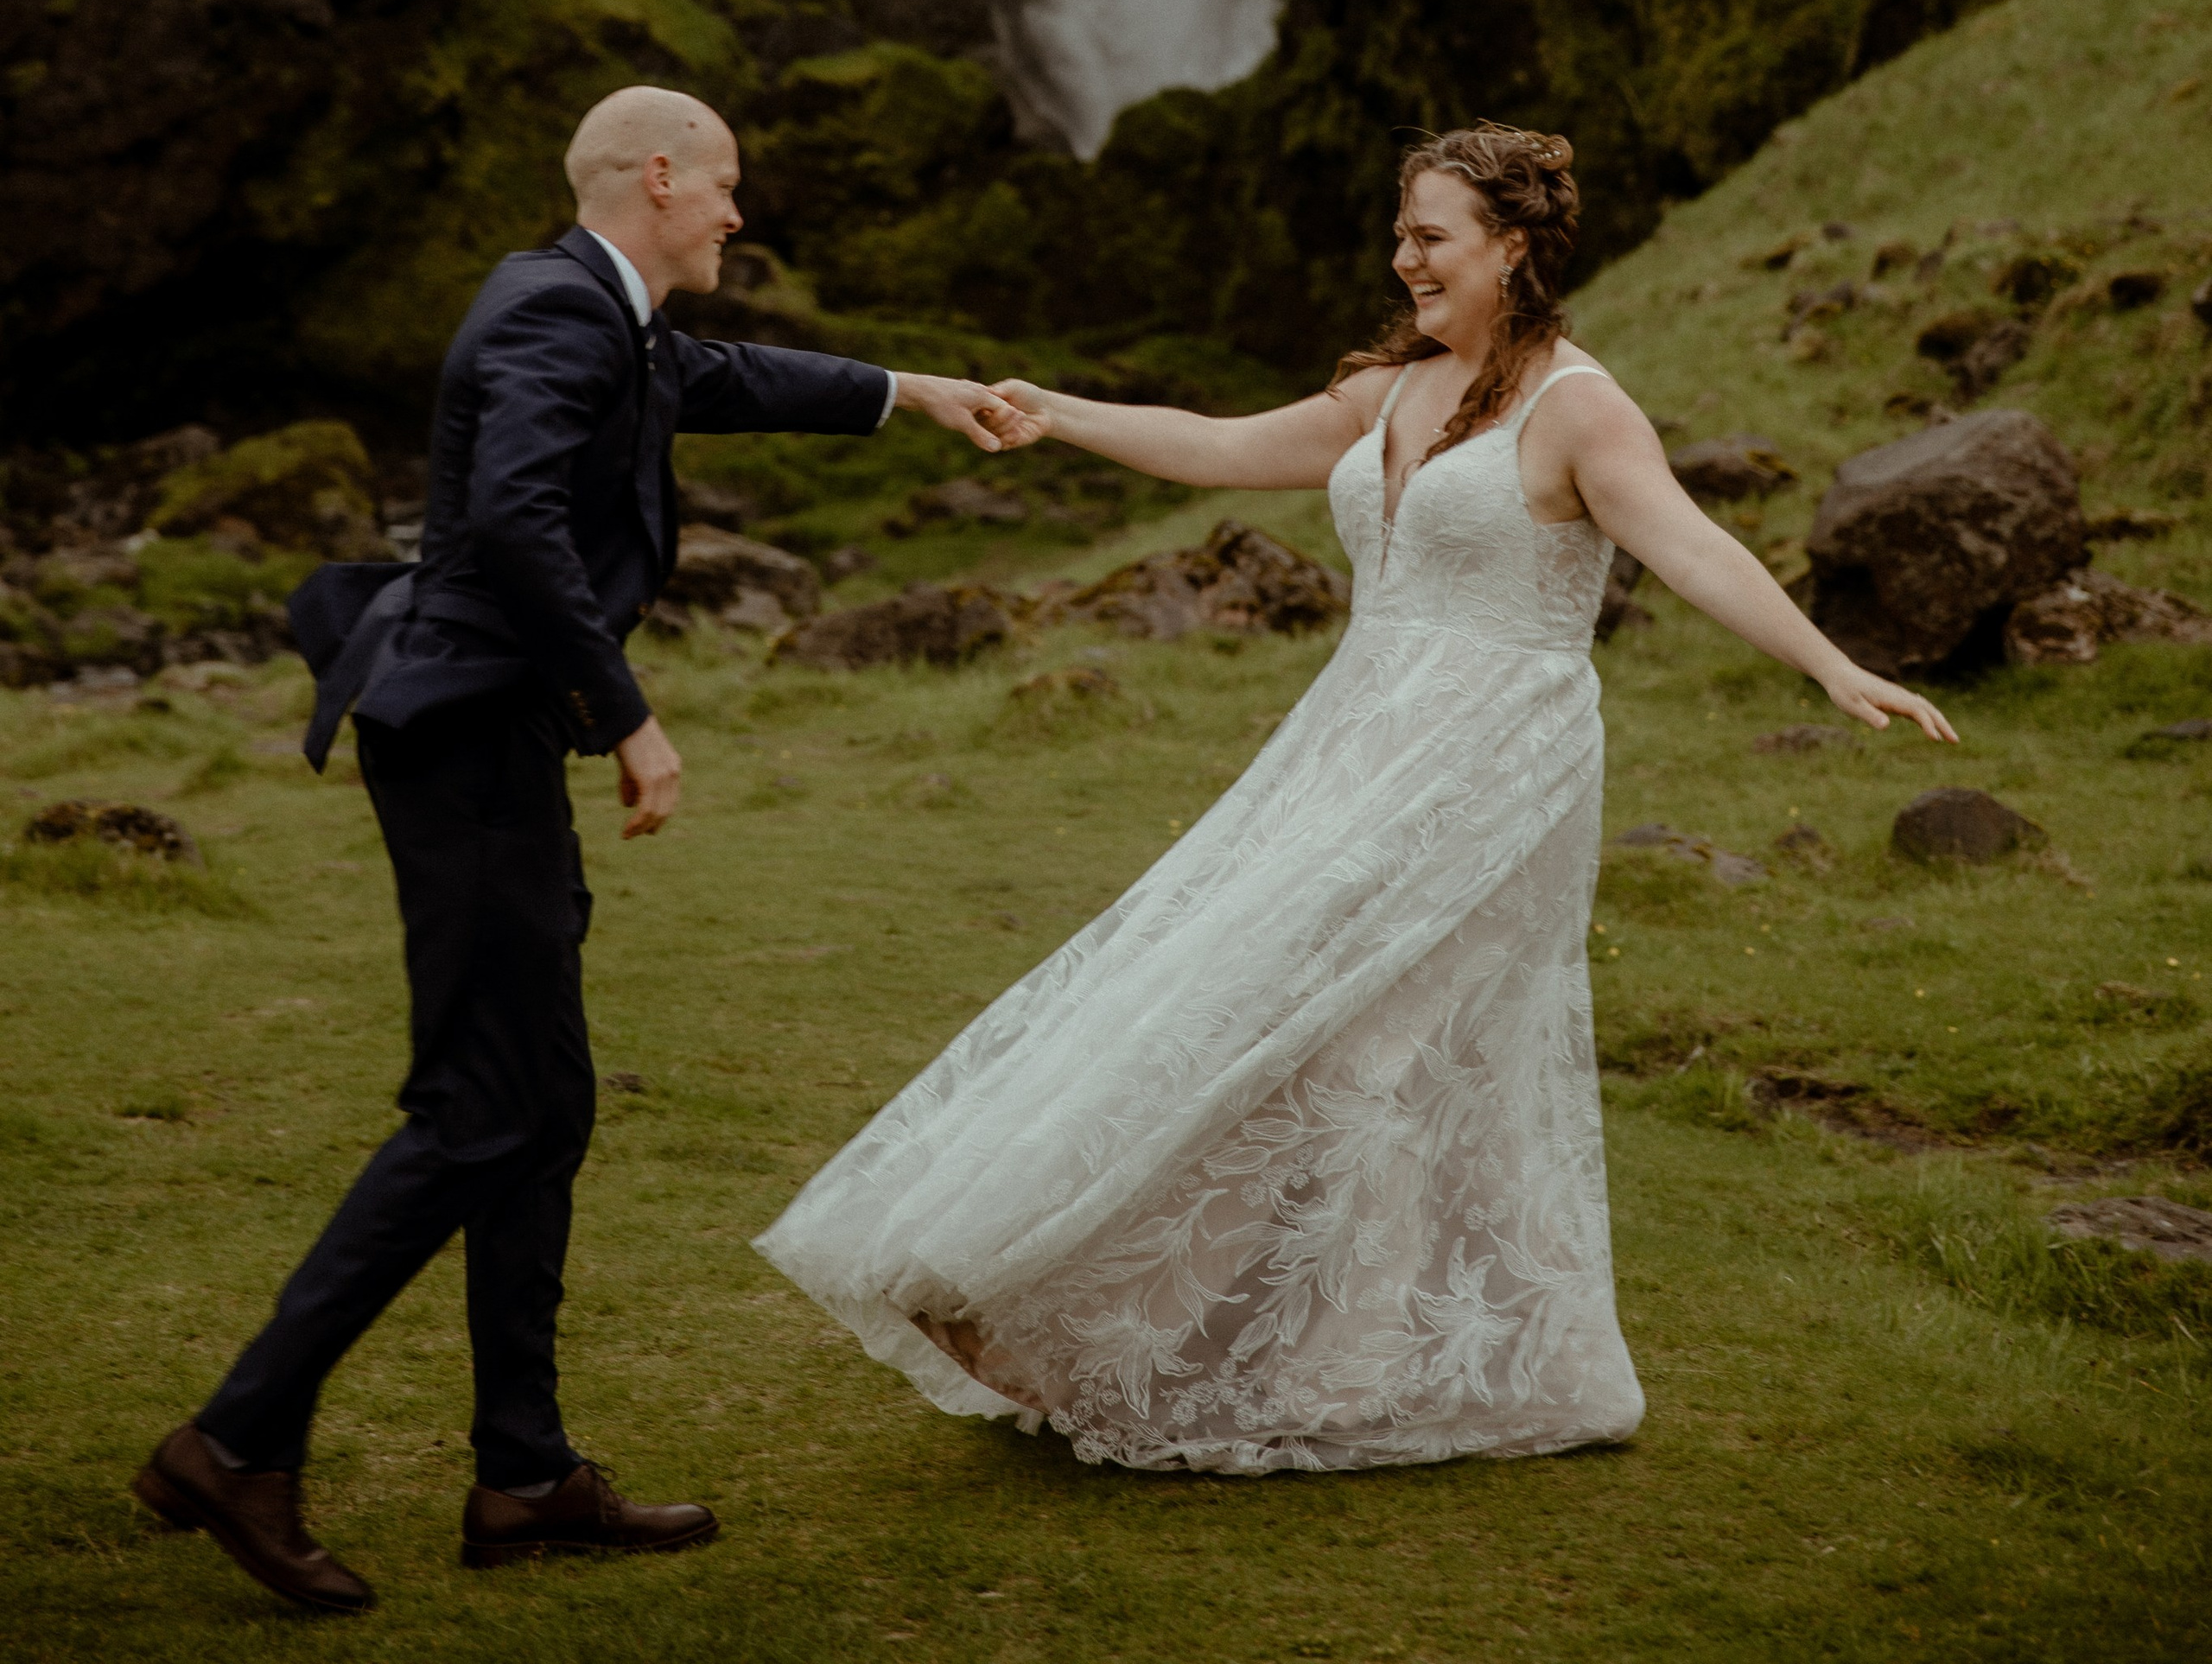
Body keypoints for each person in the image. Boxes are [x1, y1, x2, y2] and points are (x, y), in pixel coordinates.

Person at [756, 122, 1955, 1475]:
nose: (1406, 259)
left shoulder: (1580, 406)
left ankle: (1317, 1353)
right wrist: (1057, 410)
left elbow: (1686, 542)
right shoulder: (1396, 383)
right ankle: (1049, 1300)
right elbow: (1216, 448)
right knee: (1236, 990)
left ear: (1513, 245)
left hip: (1498, 751)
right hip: (1355, 733)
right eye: (1402, 234)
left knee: (1380, 1047)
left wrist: (1830, 663)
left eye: (1432, 236)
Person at [134, 85, 1036, 1616]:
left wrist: (917, 390)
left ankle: (525, 1473)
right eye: (729, 189)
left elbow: (721, 375)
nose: (740, 219)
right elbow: (508, 520)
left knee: (540, 1110)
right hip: (469, 742)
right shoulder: (552, 314)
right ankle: (233, 1442)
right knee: (478, 1114)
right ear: (662, 178)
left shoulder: (599, 312)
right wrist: (629, 714)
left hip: (484, 738)